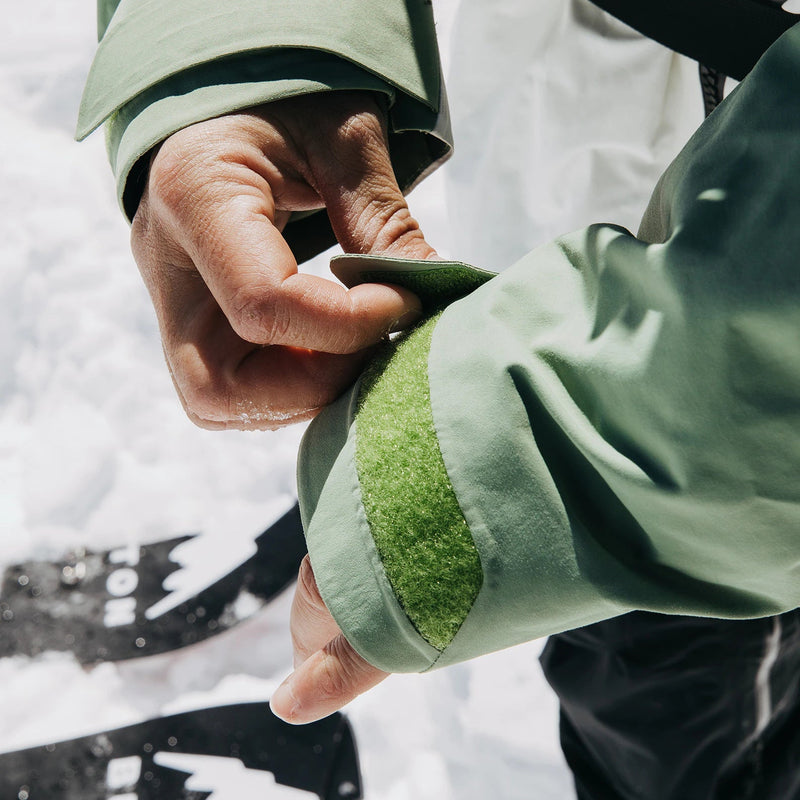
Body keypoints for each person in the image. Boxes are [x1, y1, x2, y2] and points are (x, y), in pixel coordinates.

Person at [79, 1, 800, 797]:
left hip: (724, 413)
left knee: (677, 710)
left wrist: (548, 447)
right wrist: (254, 48)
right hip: (572, 95)